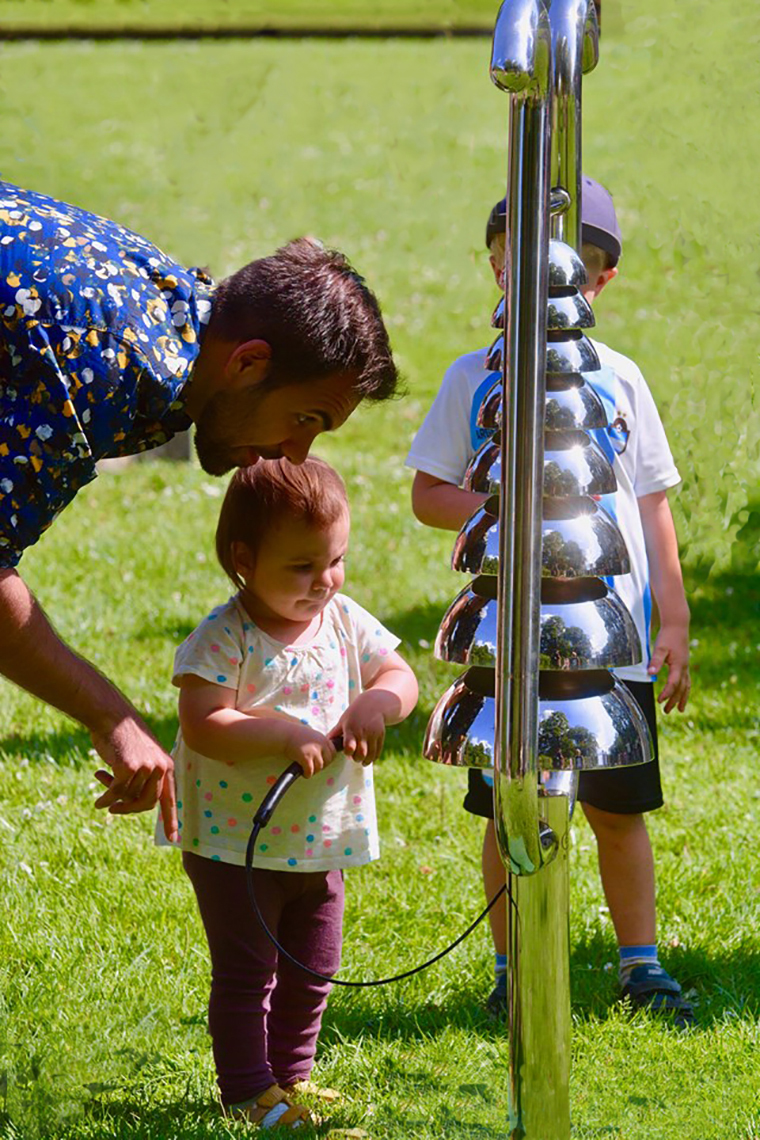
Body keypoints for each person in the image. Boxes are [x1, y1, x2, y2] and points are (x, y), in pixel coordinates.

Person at [0, 179, 399, 841]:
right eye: (304, 418)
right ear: (248, 364)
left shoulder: (182, 322)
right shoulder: (103, 366)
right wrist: (112, 718)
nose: (295, 452)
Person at [406, 177, 693, 1026]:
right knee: (511, 806)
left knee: (618, 808)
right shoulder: (474, 378)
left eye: (576, 269)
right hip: (514, 640)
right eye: (517, 264)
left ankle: (639, 964)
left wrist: (671, 617)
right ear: (495, 267)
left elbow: (651, 500)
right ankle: (512, 964)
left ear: (598, 281)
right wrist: (513, 514)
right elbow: (429, 494)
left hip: (613, 642)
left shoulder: (621, 377)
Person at [156, 456, 417, 1126]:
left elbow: (400, 674)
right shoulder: (226, 638)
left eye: (336, 561)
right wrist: (277, 733)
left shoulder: (343, 619)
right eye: (302, 567)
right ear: (244, 559)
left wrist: (378, 704)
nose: (325, 581)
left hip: (318, 836)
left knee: (314, 966)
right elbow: (203, 723)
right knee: (251, 971)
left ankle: (291, 1078)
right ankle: (248, 1092)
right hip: (233, 843)